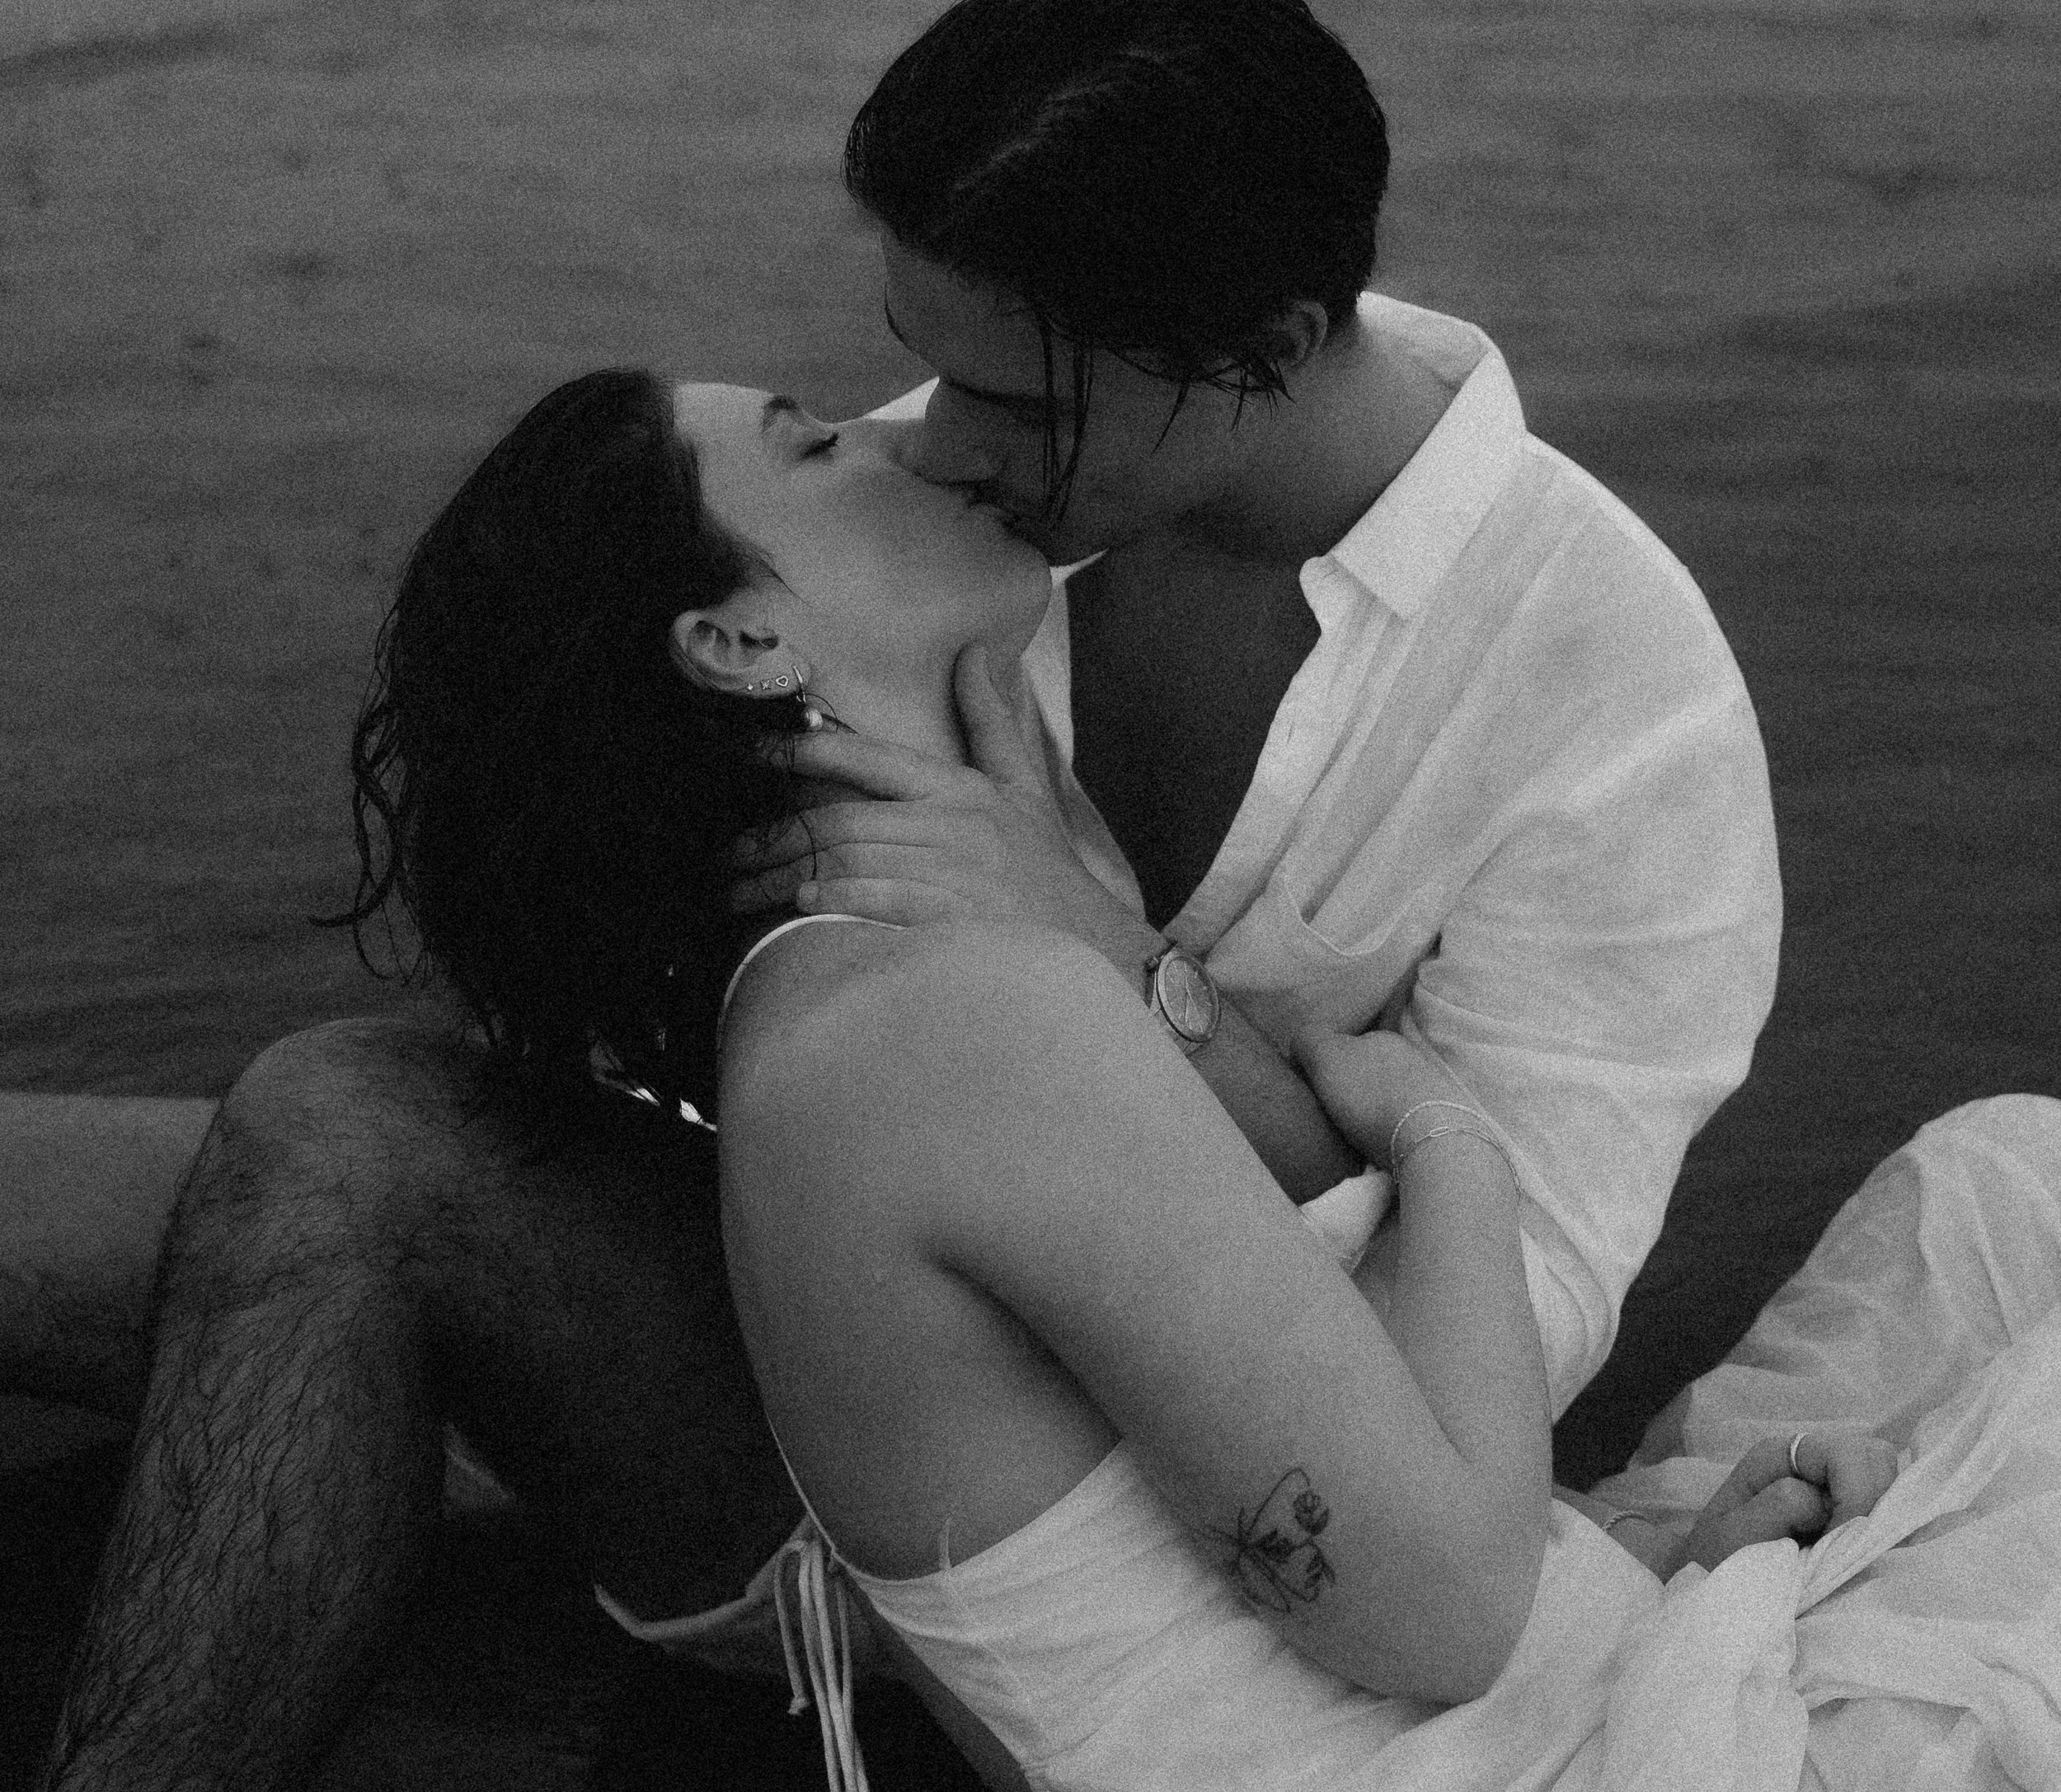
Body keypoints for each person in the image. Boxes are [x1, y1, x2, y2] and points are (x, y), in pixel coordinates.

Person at [26, 0, 1785, 1786]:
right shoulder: (938, 515)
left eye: (1015, 402)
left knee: (336, 1145)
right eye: (923, 368)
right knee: (301, 1143)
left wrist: (1132, 978)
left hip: (1199, 1532)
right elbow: (628, 909)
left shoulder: (1615, 699)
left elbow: (1511, 1344)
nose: (932, 439)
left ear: (1264, 353)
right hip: (827, 1345)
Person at [74, 365, 2061, 1792]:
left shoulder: (858, 993)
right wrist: (1445, 1141)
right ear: (737, 640)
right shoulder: (945, 1024)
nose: (913, 435)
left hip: (1488, 1694)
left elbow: (1223, 1583)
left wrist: (1636, 1573)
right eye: (815, 446)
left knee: (2004, 1178)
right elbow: (1435, 1616)